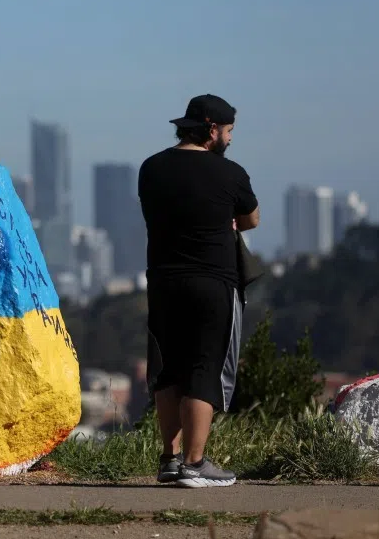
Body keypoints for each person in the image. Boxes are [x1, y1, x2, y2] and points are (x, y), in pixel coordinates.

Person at [137, 94, 260, 489]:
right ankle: (195, 463)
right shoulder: (230, 173)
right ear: (211, 131)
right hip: (214, 282)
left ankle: (170, 460)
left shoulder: (151, 168)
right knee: (205, 367)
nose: (230, 139)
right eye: (228, 131)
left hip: (163, 281)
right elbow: (251, 219)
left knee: (168, 368)